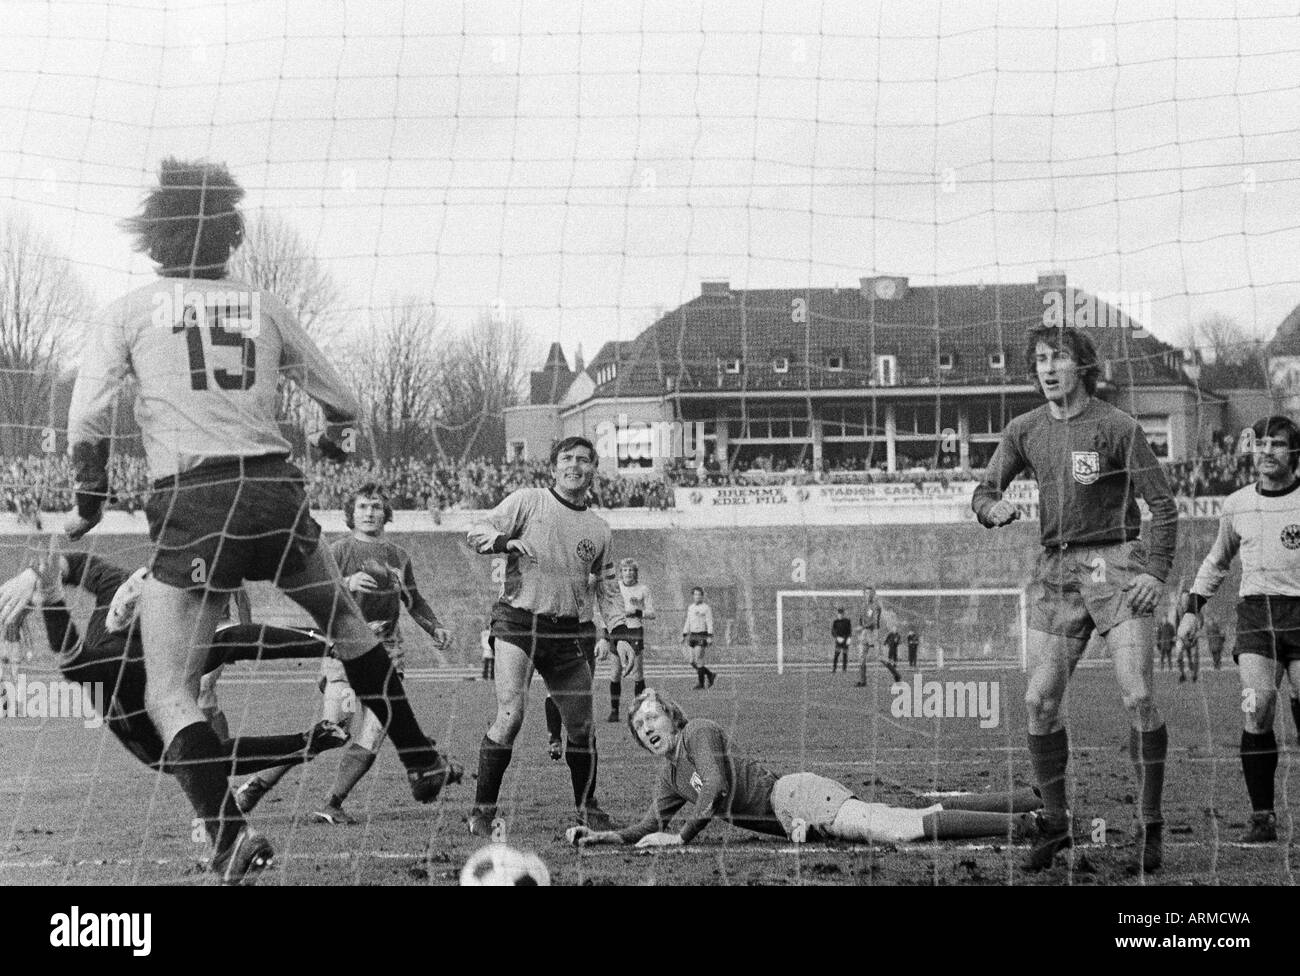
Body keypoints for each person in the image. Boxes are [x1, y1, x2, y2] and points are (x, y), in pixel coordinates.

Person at [64, 158, 459, 883]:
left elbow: (87, 412)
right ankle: (421, 755)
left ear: (155, 237)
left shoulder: (126, 311)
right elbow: (341, 398)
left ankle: (226, 835)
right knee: (346, 627)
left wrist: (89, 496)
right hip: (277, 493)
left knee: (170, 689)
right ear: (230, 236)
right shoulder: (263, 304)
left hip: (197, 500)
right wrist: (332, 441)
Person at [972, 325, 1178, 874]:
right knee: (1039, 702)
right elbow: (985, 489)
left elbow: (1163, 506)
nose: (1046, 368)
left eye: (1058, 358)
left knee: (1137, 697)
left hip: (1115, 565)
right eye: (1039, 359)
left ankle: (1150, 827)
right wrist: (990, 509)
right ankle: (1057, 823)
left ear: (1083, 366)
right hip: (1056, 571)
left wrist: (1155, 571)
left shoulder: (1118, 427)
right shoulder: (1024, 429)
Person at [0, 554, 347, 777]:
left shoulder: (151, 655)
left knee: (200, 760)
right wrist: (32, 574)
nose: (128, 596)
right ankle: (304, 745)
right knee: (205, 759)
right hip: (105, 689)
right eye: (136, 584)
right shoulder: (115, 585)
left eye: (140, 600)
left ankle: (305, 744)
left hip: (145, 729)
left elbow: (237, 639)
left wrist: (51, 600)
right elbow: (73, 564)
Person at [567, 689, 1043, 849]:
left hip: (795, 798)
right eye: (638, 725)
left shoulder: (698, 732)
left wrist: (682, 837)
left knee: (903, 828)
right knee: (907, 814)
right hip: (793, 812)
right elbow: (650, 826)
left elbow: (715, 785)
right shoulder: (669, 775)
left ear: (672, 716)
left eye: (653, 716)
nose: (647, 727)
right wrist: (605, 838)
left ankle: (1027, 824)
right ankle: (1029, 799)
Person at [465, 435, 625, 837]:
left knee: (582, 726)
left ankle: (588, 808)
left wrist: (621, 632)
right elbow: (477, 530)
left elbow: (607, 587)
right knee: (511, 715)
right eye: (567, 458)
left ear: (593, 469)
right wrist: (505, 541)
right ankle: (482, 812)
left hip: (568, 634)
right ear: (554, 467)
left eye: (584, 460)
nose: (575, 465)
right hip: (518, 624)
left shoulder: (599, 529)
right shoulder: (528, 501)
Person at [1178, 416, 1300, 843]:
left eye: (1278, 444)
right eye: (1260, 443)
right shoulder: (1237, 504)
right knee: (1257, 704)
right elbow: (1217, 560)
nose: (1267, 451)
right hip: (1255, 616)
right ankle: (1263, 816)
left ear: (1295, 452)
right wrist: (1193, 608)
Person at [303, 483, 454, 825]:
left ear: (386, 512)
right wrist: (347, 583)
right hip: (343, 652)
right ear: (351, 514)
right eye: (362, 507)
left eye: (375, 506)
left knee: (375, 731)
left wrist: (436, 627)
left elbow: (414, 601)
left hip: (388, 654)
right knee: (335, 728)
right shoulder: (337, 551)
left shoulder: (398, 556)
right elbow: (313, 594)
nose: (369, 512)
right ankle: (259, 781)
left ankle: (333, 803)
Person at [605, 558, 655, 721]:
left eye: (632, 570)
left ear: (636, 572)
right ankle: (614, 711)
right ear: (621, 572)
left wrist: (636, 612)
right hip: (617, 632)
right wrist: (606, 636)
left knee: (637, 673)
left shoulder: (643, 589)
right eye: (625, 570)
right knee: (615, 673)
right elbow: (608, 611)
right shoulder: (615, 588)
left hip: (634, 631)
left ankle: (640, 712)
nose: (629, 573)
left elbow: (651, 613)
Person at [681, 587, 716, 689]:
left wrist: (710, 636)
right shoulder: (691, 607)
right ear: (693, 596)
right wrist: (684, 634)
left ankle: (700, 684)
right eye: (695, 594)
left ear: (702, 596)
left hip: (702, 635)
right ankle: (710, 674)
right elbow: (688, 621)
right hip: (693, 635)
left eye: (699, 595)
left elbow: (710, 622)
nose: (697, 597)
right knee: (692, 661)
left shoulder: (706, 608)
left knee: (699, 659)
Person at [855, 587, 882, 687]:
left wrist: (862, 626)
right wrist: (860, 628)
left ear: (873, 594)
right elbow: (861, 618)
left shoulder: (875, 606)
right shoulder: (863, 606)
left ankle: (895, 674)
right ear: (864, 594)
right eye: (866, 593)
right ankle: (862, 681)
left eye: (870, 593)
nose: (868, 595)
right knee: (861, 657)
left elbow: (874, 622)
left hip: (873, 632)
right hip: (864, 633)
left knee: (880, 657)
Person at [831, 608, 852, 673]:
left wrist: (849, 638)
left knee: (845, 655)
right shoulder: (835, 622)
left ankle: (844, 669)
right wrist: (837, 637)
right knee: (836, 655)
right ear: (837, 614)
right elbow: (833, 632)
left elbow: (850, 631)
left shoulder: (847, 621)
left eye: (841, 614)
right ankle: (834, 669)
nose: (840, 615)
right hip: (838, 641)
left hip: (845, 640)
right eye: (839, 614)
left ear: (843, 614)